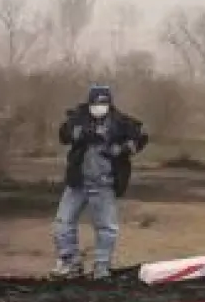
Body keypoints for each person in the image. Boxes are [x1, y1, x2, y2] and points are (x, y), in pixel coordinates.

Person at [53, 84, 149, 280]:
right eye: (96, 103)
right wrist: (80, 134)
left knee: (107, 227)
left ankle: (101, 268)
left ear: (109, 103)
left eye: (103, 103)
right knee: (63, 223)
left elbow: (140, 139)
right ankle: (69, 263)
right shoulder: (78, 117)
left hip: (104, 183)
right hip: (77, 183)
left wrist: (120, 149)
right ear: (89, 103)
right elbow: (64, 135)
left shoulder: (121, 122)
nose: (99, 106)